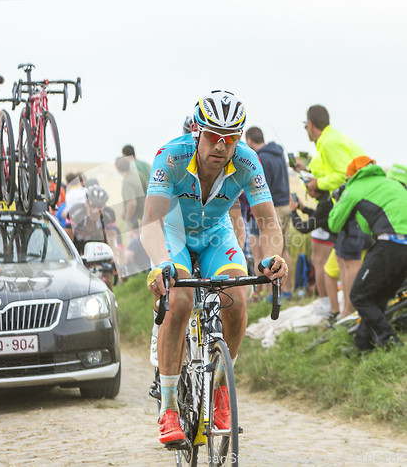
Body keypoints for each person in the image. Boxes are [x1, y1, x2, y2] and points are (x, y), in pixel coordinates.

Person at [141, 90, 287, 446]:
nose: (221, 146)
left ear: (238, 139)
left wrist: (272, 258)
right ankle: (170, 409)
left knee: (237, 297)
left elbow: (267, 221)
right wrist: (161, 265)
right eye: (212, 136)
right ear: (197, 132)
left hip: (214, 234)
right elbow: (150, 222)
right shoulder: (170, 156)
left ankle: (221, 392)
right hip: (172, 231)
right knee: (180, 302)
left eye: (230, 138)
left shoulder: (249, 162)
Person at [297, 105, 370, 318]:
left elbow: (344, 175)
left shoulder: (329, 143)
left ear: (310, 124)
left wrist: (317, 181)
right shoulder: (330, 140)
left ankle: (349, 314)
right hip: (353, 205)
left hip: (354, 207)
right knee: (340, 262)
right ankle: (345, 313)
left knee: (348, 262)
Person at [328, 156, 407, 350]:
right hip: (402, 248)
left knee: (359, 296)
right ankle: (363, 347)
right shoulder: (388, 184)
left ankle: (391, 340)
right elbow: (369, 225)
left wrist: (340, 201)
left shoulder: (354, 189)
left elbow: (334, 224)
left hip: (389, 244)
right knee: (377, 298)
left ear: (351, 176)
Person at [245, 126, 292, 299]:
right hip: (285, 206)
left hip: (270, 210)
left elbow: (258, 189)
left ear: (249, 141)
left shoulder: (261, 158)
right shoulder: (279, 154)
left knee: (259, 251)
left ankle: (261, 293)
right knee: (283, 251)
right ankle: (286, 292)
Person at [65, 185, 123, 290]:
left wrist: (115, 261)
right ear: (86, 203)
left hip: (99, 244)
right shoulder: (75, 213)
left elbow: (111, 240)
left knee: (108, 280)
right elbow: (68, 241)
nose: (96, 210)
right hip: (78, 244)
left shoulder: (108, 214)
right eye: (93, 206)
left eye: (100, 206)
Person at [289, 186, 335, 306]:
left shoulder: (325, 203)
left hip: (330, 237)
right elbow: (318, 216)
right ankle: (325, 302)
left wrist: (293, 212)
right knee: (320, 264)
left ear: (313, 191)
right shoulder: (326, 199)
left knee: (320, 265)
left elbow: (304, 227)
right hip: (332, 236)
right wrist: (304, 209)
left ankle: (325, 303)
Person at [115, 157, 148, 230]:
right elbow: (147, 192)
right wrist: (125, 210)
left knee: (134, 240)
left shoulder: (127, 181)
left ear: (118, 169)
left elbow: (132, 203)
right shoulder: (139, 174)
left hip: (135, 219)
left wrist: (128, 219)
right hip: (146, 215)